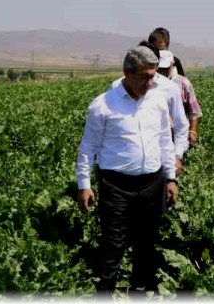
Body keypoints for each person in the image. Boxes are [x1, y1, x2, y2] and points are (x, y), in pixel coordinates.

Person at [76, 46, 179, 293]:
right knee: (113, 244)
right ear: (127, 73)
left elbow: (165, 140)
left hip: (152, 183)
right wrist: (84, 185)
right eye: (145, 76)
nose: (150, 82)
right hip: (116, 185)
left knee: (146, 244)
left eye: (153, 75)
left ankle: (140, 291)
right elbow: (87, 148)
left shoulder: (158, 101)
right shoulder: (103, 106)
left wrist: (171, 178)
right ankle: (105, 292)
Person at [114, 33, 189, 175]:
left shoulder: (169, 88)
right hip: (124, 167)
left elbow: (181, 125)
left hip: (160, 163)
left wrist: (177, 156)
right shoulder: (116, 87)